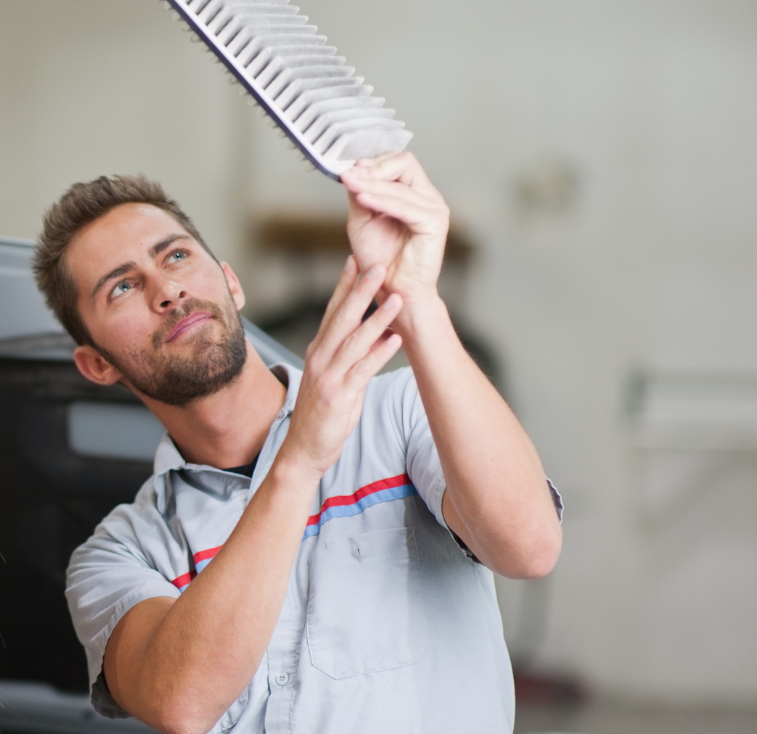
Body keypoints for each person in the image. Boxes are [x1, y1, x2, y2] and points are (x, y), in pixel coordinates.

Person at [32, 152, 564, 734]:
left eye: (176, 255)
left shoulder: (402, 411)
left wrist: (418, 302)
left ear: (231, 282)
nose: (167, 289)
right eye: (123, 287)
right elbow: (181, 702)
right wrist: (299, 458)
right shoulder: (120, 553)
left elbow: (529, 548)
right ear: (97, 365)